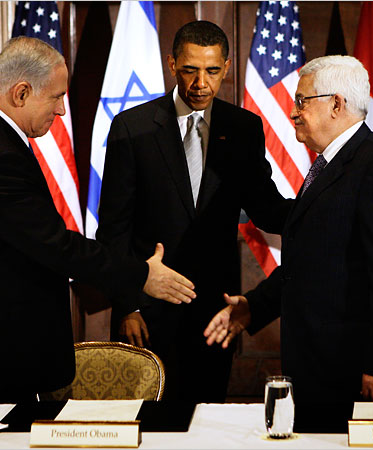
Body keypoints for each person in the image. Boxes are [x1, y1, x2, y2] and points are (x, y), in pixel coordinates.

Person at [0, 36, 195, 404]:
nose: (62, 110)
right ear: (21, 92)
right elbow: (55, 245)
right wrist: (141, 274)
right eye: (56, 97)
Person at [204, 55, 373, 405]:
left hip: (361, 374)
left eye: (302, 101)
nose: (293, 111)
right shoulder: (330, 165)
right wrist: (253, 307)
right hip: (322, 369)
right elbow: (312, 262)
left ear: (336, 104)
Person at [96, 21, 292, 403]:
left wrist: (323, 207)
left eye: (212, 71)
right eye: (190, 69)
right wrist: (127, 305)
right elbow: (113, 231)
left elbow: (267, 209)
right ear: (172, 65)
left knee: (207, 421)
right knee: (146, 426)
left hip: (214, 314)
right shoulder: (131, 128)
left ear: (227, 68)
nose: (201, 82)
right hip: (148, 312)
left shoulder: (244, 128)